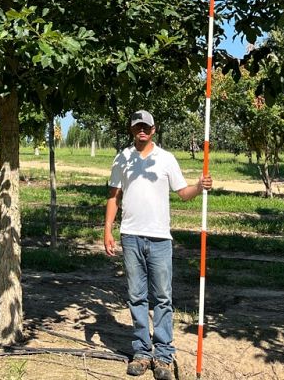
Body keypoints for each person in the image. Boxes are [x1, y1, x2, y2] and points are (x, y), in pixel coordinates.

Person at [104, 109, 212, 379]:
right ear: (132, 130)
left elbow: (183, 194)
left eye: (146, 126)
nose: (142, 130)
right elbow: (113, 197)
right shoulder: (122, 158)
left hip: (160, 238)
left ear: (153, 130)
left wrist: (199, 186)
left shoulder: (166, 159)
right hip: (130, 236)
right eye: (137, 126)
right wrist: (107, 230)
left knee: (163, 298)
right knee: (136, 297)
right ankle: (141, 352)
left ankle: (163, 355)